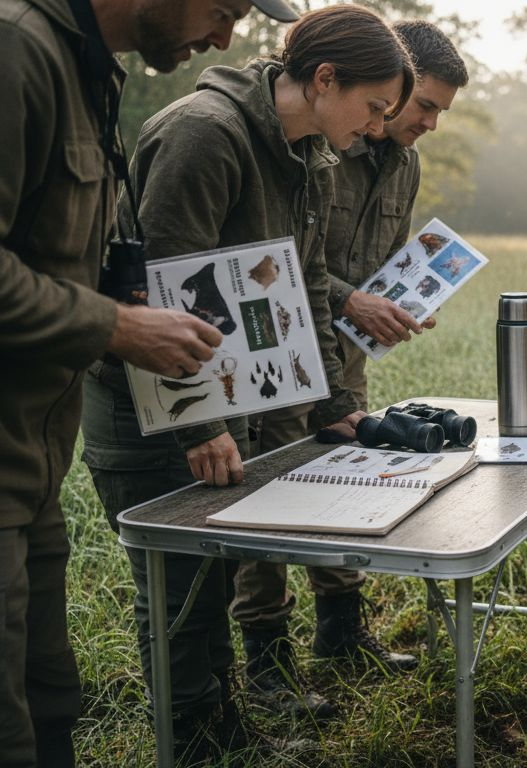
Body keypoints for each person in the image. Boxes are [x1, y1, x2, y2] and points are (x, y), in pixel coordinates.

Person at [79, 5, 413, 760]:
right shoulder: (205, 133)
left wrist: (335, 408)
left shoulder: (312, 158)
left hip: (227, 403)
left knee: (214, 574)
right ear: (325, 80)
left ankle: (225, 734)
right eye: (373, 108)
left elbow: (309, 289)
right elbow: (163, 292)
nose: (376, 128)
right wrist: (200, 425)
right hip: (150, 407)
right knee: (180, 595)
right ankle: (194, 747)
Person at [0, 0, 296, 765]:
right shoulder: (15, 48)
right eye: (224, 9)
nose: (227, 39)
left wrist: (114, 291)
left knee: (48, 700)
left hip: (34, 459)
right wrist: (117, 327)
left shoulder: (91, 72)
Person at [234, 19, 470, 707]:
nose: (426, 123)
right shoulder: (316, 144)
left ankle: (340, 632)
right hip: (279, 346)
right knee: (270, 501)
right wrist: (352, 300)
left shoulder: (408, 162)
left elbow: (385, 263)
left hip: (346, 358)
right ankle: (266, 660)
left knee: (347, 484)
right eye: (422, 104)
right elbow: (276, 259)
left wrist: (401, 303)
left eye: (435, 112)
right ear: (391, 86)